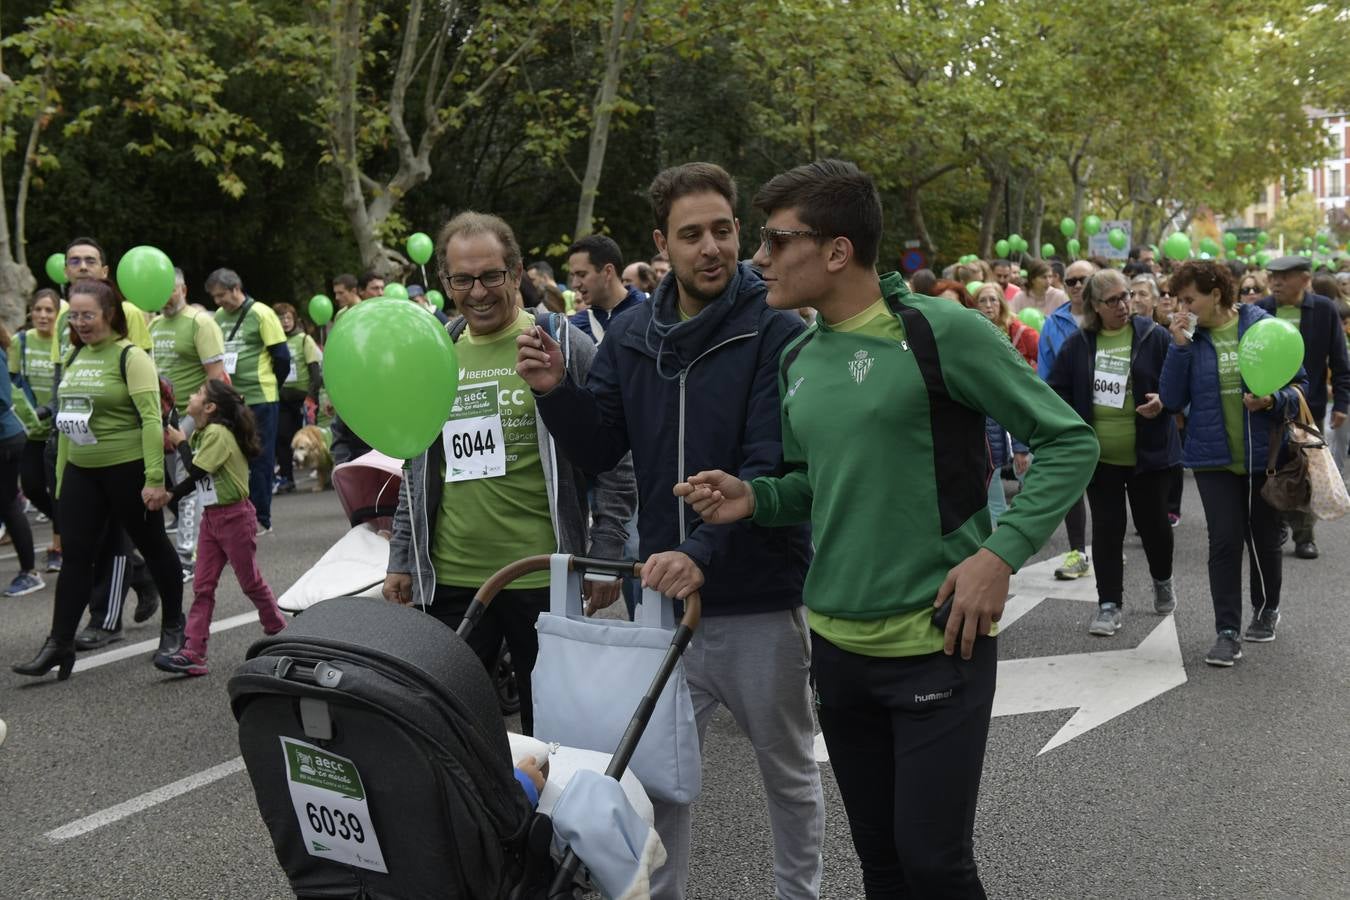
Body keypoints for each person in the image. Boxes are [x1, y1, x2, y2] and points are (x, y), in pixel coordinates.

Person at [672, 159, 1095, 898]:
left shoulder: (942, 330)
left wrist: (1000, 555)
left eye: (775, 241)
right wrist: (756, 498)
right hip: (837, 649)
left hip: (938, 642)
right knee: (884, 867)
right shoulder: (798, 354)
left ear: (836, 250)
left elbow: (1068, 441)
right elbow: (814, 481)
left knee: (936, 865)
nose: (757, 258)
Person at [517, 162, 823, 900]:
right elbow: (599, 449)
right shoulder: (629, 332)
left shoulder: (776, 329)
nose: (711, 247)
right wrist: (556, 392)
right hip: (663, 601)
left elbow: (765, 462)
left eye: (723, 230)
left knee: (786, 771)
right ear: (663, 242)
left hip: (755, 596)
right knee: (658, 780)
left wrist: (699, 553)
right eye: (692, 235)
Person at [384, 211, 635, 737]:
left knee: (555, 736)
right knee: (453, 731)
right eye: (462, 279)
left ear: (516, 272)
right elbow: (416, 460)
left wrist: (608, 551)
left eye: (491, 275)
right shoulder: (436, 352)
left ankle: (547, 823)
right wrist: (403, 555)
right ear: (447, 281)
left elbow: (615, 457)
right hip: (451, 579)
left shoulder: (564, 345)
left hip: (541, 577)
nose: (477, 291)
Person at [12, 278, 186, 680]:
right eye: (74, 315)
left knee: (154, 546)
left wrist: (155, 479)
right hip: (81, 471)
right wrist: (59, 481)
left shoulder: (130, 357)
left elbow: (149, 419)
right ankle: (59, 643)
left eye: (88, 315)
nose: (81, 322)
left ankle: (175, 630)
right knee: (75, 558)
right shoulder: (75, 356)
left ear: (109, 314)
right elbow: (66, 421)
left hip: (128, 469)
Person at [1160, 260, 1307, 665]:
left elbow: (1300, 386)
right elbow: (1171, 400)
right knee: (1224, 541)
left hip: (1265, 456)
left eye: (1190, 299)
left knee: (1263, 539)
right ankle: (1226, 631)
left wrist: (1273, 400)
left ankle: (1267, 608)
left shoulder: (1260, 324)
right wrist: (1179, 347)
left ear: (1216, 294)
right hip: (1213, 458)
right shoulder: (1187, 337)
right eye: (1178, 300)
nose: (1182, 308)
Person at [1047, 269, 1179, 636]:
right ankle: (1109, 605)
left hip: (1149, 454)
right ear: (1094, 306)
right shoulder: (1078, 345)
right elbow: (1055, 391)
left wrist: (1164, 401)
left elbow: (1178, 382)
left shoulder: (1154, 337)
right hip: (1101, 457)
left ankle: (1162, 579)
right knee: (1107, 530)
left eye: (1126, 297)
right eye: (1114, 300)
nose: (1124, 305)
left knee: (1154, 527)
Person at [48, 239, 160, 649]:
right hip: (74, 434)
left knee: (113, 533)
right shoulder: (68, 318)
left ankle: (105, 618)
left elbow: (147, 379)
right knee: (79, 530)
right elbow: (69, 373)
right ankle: (140, 574)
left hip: (119, 443)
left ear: (105, 270)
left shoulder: (126, 314)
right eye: (73, 260)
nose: (81, 266)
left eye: (89, 261)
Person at [154, 380, 286, 676]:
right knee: (203, 586)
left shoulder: (216, 433)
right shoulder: (203, 432)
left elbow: (197, 470)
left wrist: (180, 443)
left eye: (198, 393)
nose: (192, 395)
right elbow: (197, 479)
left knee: (250, 581)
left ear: (210, 407)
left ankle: (279, 630)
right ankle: (194, 651)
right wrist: (172, 495)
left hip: (235, 517)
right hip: (212, 518)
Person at [1255, 255, 1350, 559]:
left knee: (1306, 470)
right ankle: (1275, 524)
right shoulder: (1262, 309)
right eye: (1274, 276)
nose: (1277, 282)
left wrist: (1343, 404)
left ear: (1305, 279)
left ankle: (1304, 535)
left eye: (1286, 276)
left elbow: (1339, 360)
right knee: (1272, 466)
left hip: (1310, 405)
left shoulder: (1323, 310)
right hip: (1266, 403)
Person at [150, 268, 226, 577]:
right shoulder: (153, 325)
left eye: (169, 289)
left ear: (183, 288)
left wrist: (202, 418)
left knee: (187, 483)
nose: (165, 296)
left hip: (192, 415)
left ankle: (187, 555)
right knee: (171, 484)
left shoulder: (200, 323)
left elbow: (216, 376)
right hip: (160, 416)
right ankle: (215, 539)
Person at [207, 269, 291, 536]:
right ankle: (238, 515)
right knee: (234, 457)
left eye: (222, 295)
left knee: (260, 457)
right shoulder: (219, 317)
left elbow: (282, 358)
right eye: (214, 297)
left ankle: (261, 518)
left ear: (236, 289)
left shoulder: (262, 313)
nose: (219, 301)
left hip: (261, 397)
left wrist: (270, 384)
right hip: (231, 399)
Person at [1038, 257, 1099, 580]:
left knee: (1106, 491)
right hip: (1070, 418)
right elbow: (1045, 377)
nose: (1077, 286)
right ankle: (1078, 551)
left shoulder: (1111, 320)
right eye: (1071, 281)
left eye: (1083, 280)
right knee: (1074, 488)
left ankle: (1105, 546)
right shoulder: (1053, 323)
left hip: (1108, 419)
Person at [11, 289, 62, 573]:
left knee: (57, 491)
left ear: (57, 314)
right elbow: (14, 382)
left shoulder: (61, 341)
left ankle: (58, 546)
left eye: (48, 310)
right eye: (37, 310)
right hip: (31, 430)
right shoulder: (21, 342)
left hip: (57, 431)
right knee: (31, 487)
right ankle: (66, 524)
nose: (42, 315)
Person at [0, 315, 43, 597]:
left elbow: (2, 400)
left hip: (5, 438)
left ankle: (30, 572)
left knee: (8, 504)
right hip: (8, 436)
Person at [271, 302, 323, 494]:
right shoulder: (274, 341)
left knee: (309, 440)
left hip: (302, 398)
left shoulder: (304, 340)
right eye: (280, 318)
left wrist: (311, 397)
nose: (284, 322)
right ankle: (287, 478)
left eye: (288, 318)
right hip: (281, 397)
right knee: (283, 438)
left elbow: (315, 373)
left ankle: (321, 474)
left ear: (294, 319)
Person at [567, 235, 645, 343]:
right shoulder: (575, 327)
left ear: (608, 272)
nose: (575, 284)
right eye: (573, 276)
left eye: (582, 274)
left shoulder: (651, 311)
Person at [974, 282, 1038, 367]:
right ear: (976, 306)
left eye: (993, 299)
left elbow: (1046, 361)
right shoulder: (974, 332)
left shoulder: (1023, 332)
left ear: (1001, 303)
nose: (988, 305)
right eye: (982, 301)